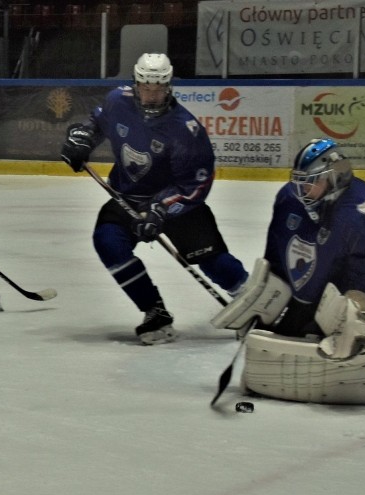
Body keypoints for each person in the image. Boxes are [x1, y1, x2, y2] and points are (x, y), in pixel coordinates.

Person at [211, 138, 365, 410]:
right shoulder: (289, 199)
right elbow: (277, 250)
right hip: (316, 291)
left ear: (335, 178)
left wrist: (359, 311)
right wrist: (265, 297)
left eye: (312, 181)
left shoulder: (360, 210)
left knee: (344, 347)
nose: (303, 189)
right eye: (300, 180)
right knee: (274, 339)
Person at [60, 53, 247, 345]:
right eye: (146, 87)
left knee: (211, 261)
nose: (151, 94)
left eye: (158, 88)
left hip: (175, 203)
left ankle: (252, 301)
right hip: (129, 197)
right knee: (108, 242)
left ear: (168, 86)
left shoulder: (185, 129)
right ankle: (154, 312)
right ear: (136, 83)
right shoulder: (117, 100)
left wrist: (160, 210)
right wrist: (81, 139)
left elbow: (195, 184)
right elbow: (96, 123)